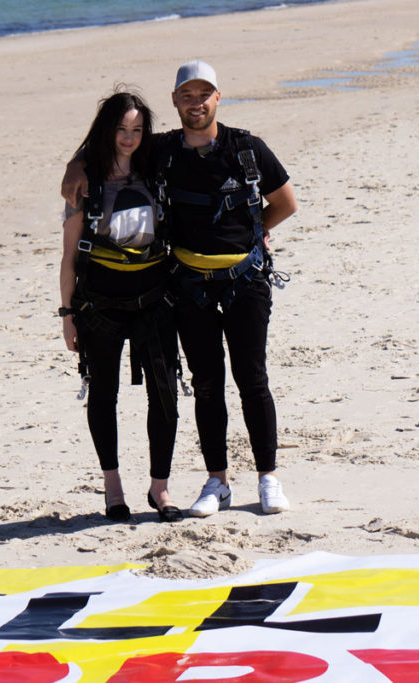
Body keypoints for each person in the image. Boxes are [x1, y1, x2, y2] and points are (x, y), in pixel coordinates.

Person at [62, 61, 297, 516]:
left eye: (203, 94)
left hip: (245, 283)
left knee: (253, 380)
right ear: (175, 102)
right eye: (187, 95)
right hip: (188, 287)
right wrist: (76, 163)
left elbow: (285, 203)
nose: (196, 102)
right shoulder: (163, 151)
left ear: (218, 97)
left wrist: (253, 234)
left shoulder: (247, 148)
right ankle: (218, 482)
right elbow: (113, 138)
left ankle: (268, 478)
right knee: (207, 385)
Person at [59, 89, 182, 524]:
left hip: (154, 300)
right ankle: (113, 488)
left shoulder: (157, 165)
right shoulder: (84, 180)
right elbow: (70, 253)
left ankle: (160, 488)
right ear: (107, 131)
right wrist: (67, 314)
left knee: (165, 393)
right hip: (99, 305)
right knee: (103, 394)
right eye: (121, 129)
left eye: (136, 129)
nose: (129, 138)